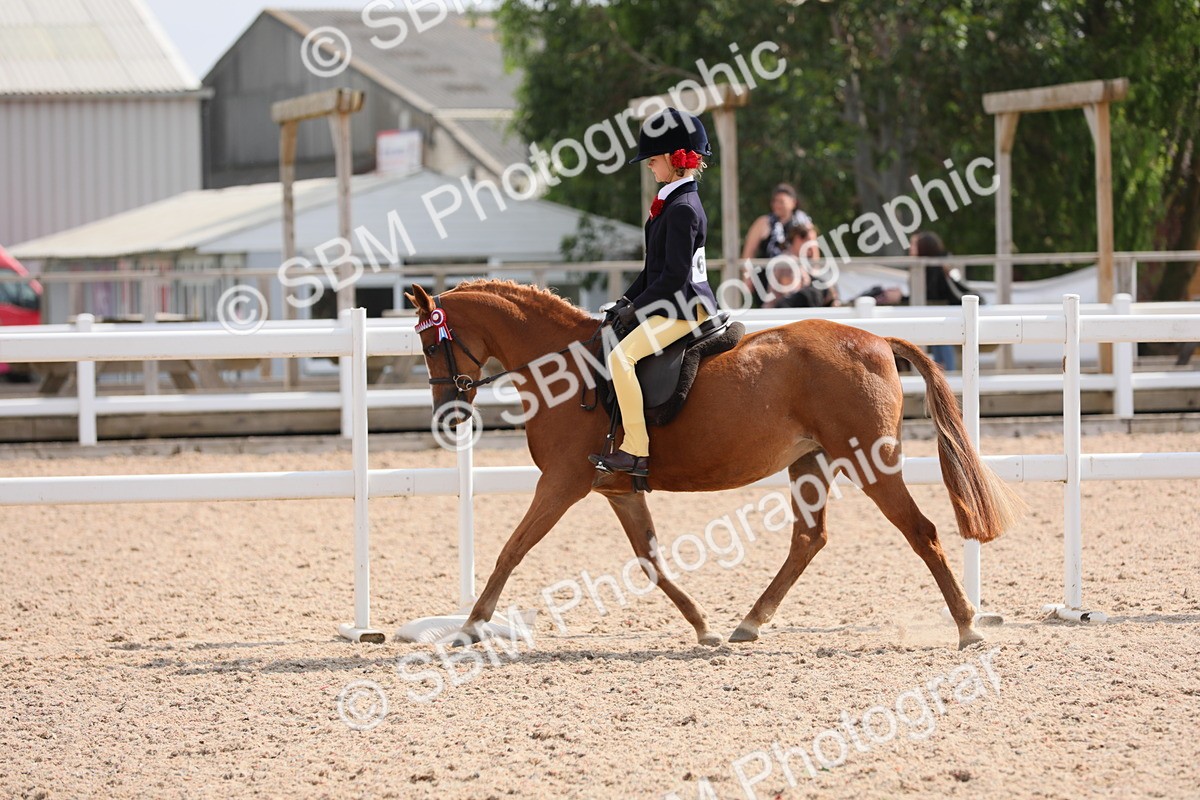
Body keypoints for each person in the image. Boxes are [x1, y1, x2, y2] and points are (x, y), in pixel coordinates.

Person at [589, 108, 719, 478]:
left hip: (685, 307)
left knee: (622, 358)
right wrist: (624, 304)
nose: (648, 166)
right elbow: (652, 272)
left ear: (676, 159)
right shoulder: (670, 203)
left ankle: (635, 450)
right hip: (671, 301)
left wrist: (636, 311)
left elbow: (674, 278)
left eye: (653, 159)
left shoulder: (682, 209)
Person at [741, 183, 813, 307]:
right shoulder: (763, 222)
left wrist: (811, 275)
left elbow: (813, 253)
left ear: (793, 203)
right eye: (775, 201)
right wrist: (747, 278)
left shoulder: (804, 224)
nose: (777, 205)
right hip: (767, 279)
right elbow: (748, 253)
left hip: (797, 278)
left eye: (781, 201)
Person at [910, 231, 971, 370]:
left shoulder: (934, 267)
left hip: (948, 309)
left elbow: (931, 295)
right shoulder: (939, 264)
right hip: (946, 309)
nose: (910, 248)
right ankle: (947, 376)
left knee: (942, 339)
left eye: (914, 244)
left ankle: (949, 375)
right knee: (938, 340)